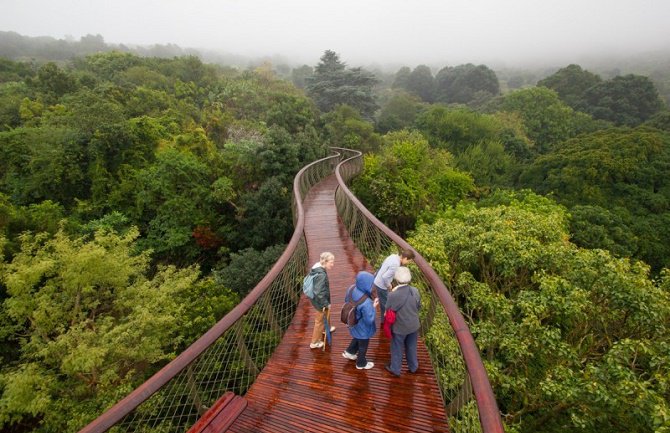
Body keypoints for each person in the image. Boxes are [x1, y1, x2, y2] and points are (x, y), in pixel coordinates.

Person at [384, 266, 421, 377]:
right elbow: (418, 306)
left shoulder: (392, 295)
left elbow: (388, 309)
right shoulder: (415, 291)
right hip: (414, 325)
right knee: (411, 346)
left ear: (396, 279)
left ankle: (395, 369)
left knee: (397, 347)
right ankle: (413, 367)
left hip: (400, 327)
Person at [341, 271, 378, 370]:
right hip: (363, 328)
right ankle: (361, 363)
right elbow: (369, 320)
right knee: (363, 345)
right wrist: (373, 307)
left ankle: (350, 352)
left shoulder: (351, 288)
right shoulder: (366, 302)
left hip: (353, 321)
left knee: (357, 337)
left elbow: (346, 300)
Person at [373, 249, 415, 323]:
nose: (408, 263)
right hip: (381, 285)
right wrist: (389, 286)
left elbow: (383, 266)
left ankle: (384, 320)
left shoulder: (393, 256)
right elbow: (385, 277)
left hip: (377, 281)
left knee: (384, 302)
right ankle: (386, 321)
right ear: (405, 258)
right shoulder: (396, 264)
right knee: (386, 304)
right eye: (409, 261)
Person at [309, 252, 335, 349]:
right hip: (320, 301)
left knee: (327, 312)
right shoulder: (321, 275)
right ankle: (314, 342)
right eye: (331, 262)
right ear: (325, 262)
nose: (333, 265)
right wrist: (325, 303)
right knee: (319, 321)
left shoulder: (318, 267)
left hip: (320, 299)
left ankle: (326, 328)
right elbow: (319, 292)